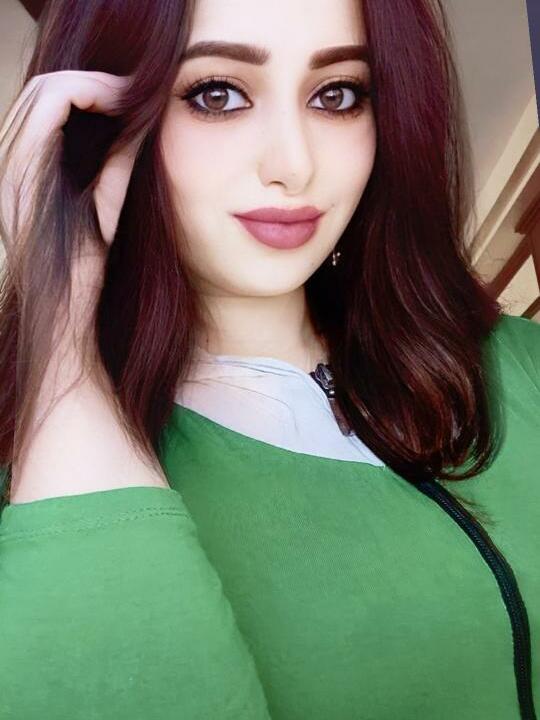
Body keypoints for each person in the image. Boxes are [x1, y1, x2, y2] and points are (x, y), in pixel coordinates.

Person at [0, 0, 538, 719]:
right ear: (101, 126)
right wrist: (61, 317)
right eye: (217, 94)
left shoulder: (517, 362)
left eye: (337, 95)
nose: (294, 165)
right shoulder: (42, 484)